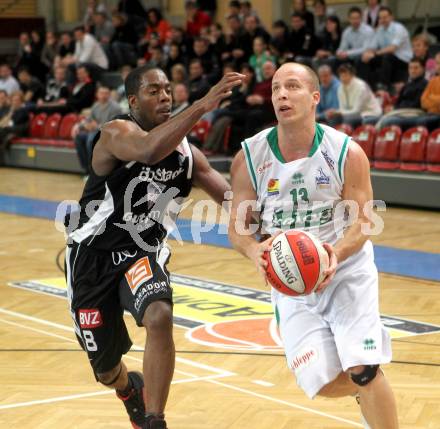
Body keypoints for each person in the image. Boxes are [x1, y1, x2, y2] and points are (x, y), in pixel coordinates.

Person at [64, 65, 243, 429]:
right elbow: (147, 150)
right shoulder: (116, 132)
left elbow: (239, 206)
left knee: (159, 315)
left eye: (167, 89)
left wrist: (279, 223)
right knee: (106, 370)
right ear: (133, 101)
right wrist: (202, 105)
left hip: (141, 254)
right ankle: (129, 389)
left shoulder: (187, 156)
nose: (164, 96)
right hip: (91, 260)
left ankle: (154, 419)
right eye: (153, 90)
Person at [228, 62, 399, 429]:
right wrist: (253, 250)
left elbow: (364, 221)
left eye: (292, 87)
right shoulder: (249, 156)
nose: (281, 95)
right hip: (289, 276)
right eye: (275, 89)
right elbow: (238, 229)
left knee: (364, 368)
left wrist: (332, 256)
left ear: (315, 97)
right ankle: (362, 391)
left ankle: (367, 387)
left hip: (345, 268)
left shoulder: (346, 152)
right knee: (321, 380)